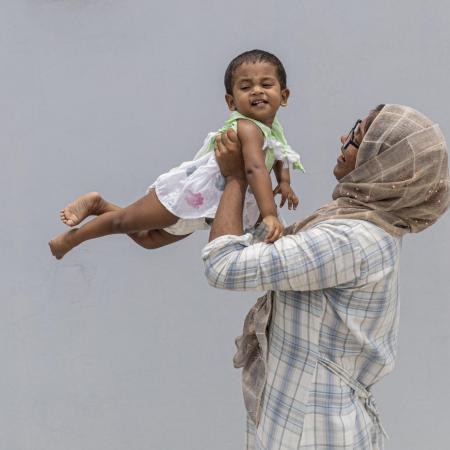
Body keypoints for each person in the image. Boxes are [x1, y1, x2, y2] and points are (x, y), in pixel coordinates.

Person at [202, 104, 449, 450]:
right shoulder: (364, 224)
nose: (343, 138)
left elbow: (223, 265)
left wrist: (235, 179)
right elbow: (270, 249)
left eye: (356, 137)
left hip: (312, 431)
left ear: (380, 160)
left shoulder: (349, 240)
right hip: (309, 417)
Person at [48, 49, 303, 260]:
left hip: (209, 205)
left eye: (266, 84)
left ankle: (101, 206)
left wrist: (284, 182)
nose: (257, 91)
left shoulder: (272, 130)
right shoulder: (247, 128)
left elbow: (280, 153)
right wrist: (269, 213)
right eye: (246, 87)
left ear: (284, 96)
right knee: (125, 222)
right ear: (231, 102)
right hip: (192, 192)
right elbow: (254, 169)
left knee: (149, 240)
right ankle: (73, 238)